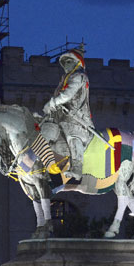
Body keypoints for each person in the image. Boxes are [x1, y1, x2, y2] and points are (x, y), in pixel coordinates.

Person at [43, 44, 94, 180]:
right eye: (64, 62)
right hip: (62, 117)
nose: (65, 65)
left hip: (77, 119)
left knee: (73, 136)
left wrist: (53, 102)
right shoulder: (65, 78)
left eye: (69, 61)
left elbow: (67, 95)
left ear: (77, 62)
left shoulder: (79, 76)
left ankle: (77, 168)